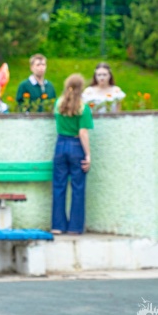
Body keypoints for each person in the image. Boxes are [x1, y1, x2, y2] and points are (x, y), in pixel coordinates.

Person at [51, 74, 94, 235]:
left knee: (59, 186)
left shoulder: (58, 104)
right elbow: (83, 132)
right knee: (78, 187)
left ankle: (57, 225)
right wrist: (88, 155)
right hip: (76, 146)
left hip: (60, 144)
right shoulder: (83, 108)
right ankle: (75, 227)